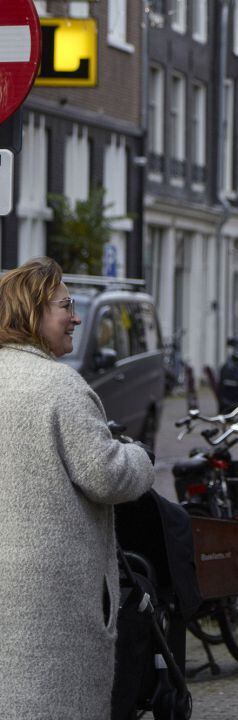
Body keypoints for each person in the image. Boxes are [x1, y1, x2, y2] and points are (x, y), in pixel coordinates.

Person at [0, 258, 156, 720]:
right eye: (65, 305)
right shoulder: (59, 386)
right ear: (32, 311)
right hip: (47, 592)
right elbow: (106, 476)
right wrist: (140, 457)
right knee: (52, 699)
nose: (76, 316)